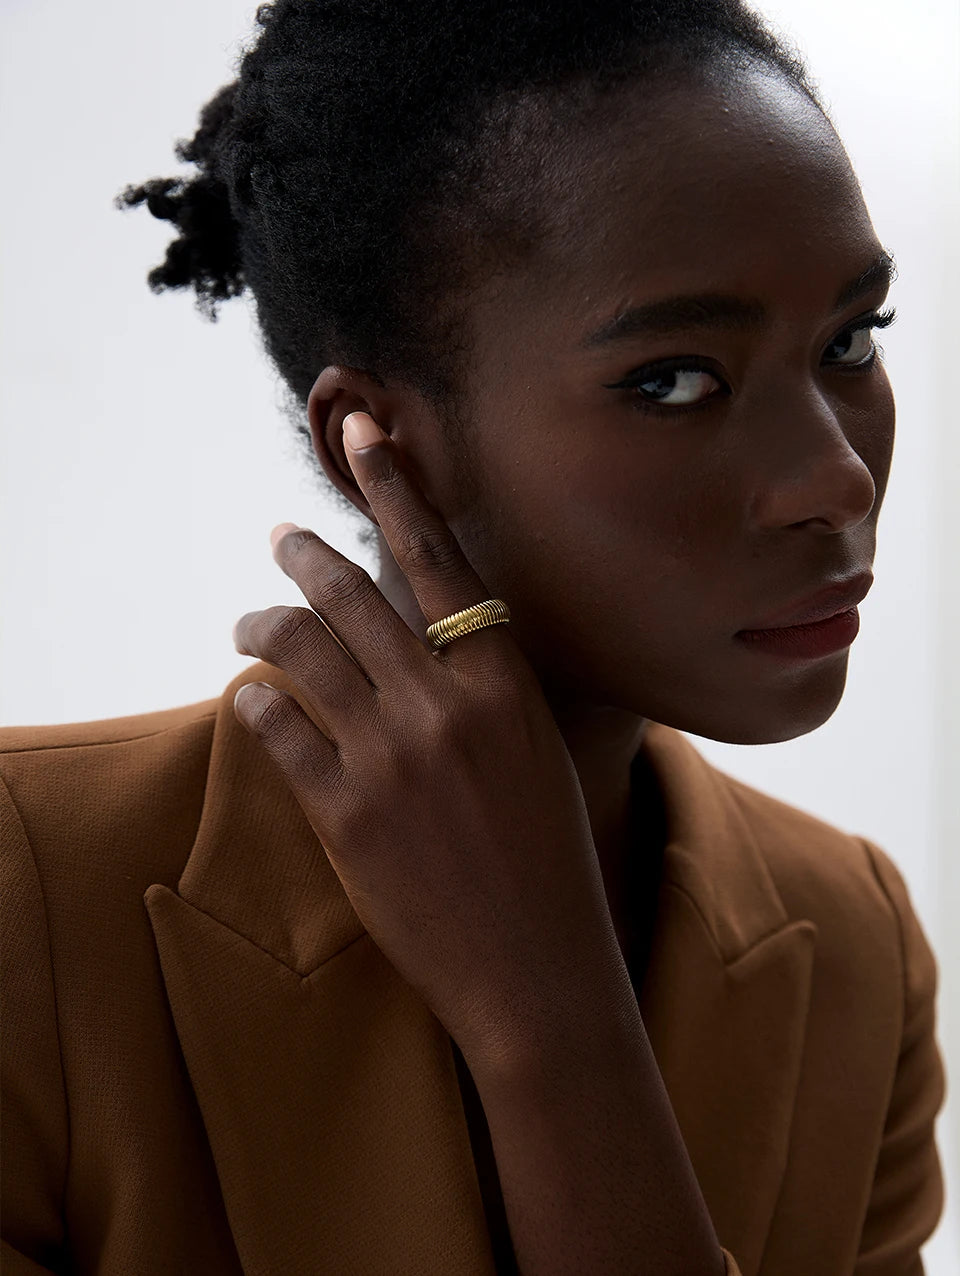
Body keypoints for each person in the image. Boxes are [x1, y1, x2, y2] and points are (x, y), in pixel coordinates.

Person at [0, 1, 946, 1272]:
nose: (837, 478)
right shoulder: (28, 898)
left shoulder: (857, 950)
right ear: (379, 443)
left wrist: (554, 1023)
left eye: (850, 342)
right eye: (674, 379)